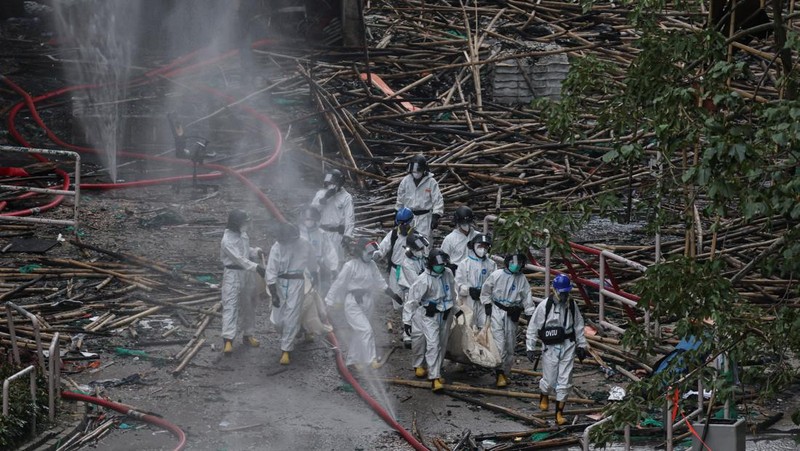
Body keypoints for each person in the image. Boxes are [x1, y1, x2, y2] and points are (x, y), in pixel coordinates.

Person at [526, 274, 588, 425]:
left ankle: (559, 413)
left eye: (567, 292)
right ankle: (544, 394)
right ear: (554, 290)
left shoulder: (572, 306)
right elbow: (533, 327)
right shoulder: (544, 306)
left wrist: (582, 345)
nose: (564, 295)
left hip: (568, 345)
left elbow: (579, 326)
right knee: (550, 378)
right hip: (550, 347)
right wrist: (530, 347)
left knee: (565, 380)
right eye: (562, 292)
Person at [325, 238, 396, 369]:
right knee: (366, 330)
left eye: (371, 253)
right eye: (368, 253)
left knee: (359, 331)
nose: (370, 255)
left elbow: (380, 281)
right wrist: (329, 301)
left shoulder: (372, 265)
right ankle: (371, 360)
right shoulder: (350, 266)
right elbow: (338, 284)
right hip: (353, 302)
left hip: (368, 300)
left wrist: (393, 295)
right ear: (360, 252)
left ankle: (353, 360)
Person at [266, 222, 318, 365]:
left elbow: (312, 262)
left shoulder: (305, 244)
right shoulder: (277, 246)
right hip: (279, 283)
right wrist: (273, 292)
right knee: (277, 320)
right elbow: (271, 270)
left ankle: (286, 350)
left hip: (297, 282)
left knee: (291, 316)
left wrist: (315, 274)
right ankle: (296, 329)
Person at [480, 252, 535, 388]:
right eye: (513, 262)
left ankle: (505, 373)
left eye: (519, 263)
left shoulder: (522, 279)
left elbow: (527, 297)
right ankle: (499, 372)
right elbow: (486, 290)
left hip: (512, 313)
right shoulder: (497, 275)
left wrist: (529, 314)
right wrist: (487, 304)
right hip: (497, 311)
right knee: (499, 343)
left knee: (510, 344)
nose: (516, 265)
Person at [407, 249, 456, 392]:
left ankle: (436, 370)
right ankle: (434, 378)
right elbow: (412, 300)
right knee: (432, 344)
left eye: (443, 264)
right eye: (438, 264)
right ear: (430, 264)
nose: (441, 267)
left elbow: (452, 293)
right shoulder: (423, 279)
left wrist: (455, 309)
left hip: (445, 314)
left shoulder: (448, 273)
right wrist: (407, 321)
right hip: (429, 315)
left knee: (442, 343)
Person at [219, 209, 265, 355]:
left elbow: (244, 252)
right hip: (233, 274)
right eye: (243, 222)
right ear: (235, 223)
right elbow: (238, 258)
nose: (246, 224)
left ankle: (248, 335)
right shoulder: (226, 241)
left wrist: (255, 252)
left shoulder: (242, 234)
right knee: (231, 305)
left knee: (250, 305)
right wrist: (256, 267)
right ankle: (228, 340)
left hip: (246, 274)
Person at [311, 168, 355, 266]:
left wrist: (347, 235)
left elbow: (350, 218)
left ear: (339, 183)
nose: (331, 186)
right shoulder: (321, 194)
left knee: (337, 263)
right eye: (329, 183)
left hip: (337, 235)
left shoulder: (346, 197)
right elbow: (312, 211)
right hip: (322, 232)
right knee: (320, 262)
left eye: (333, 183)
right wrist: (325, 198)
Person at [395, 155, 443, 242]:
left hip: (424, 217)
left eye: (418, 171)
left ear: (424, 170)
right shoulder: (406, 181)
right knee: (404, 240)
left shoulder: (431, 182)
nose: (416, 173)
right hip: (407, 216)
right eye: (414, 171)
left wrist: (436, 216)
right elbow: (400, 199)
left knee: (423, 241)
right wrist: (397, 213)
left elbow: (438, 200)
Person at [374, 207, 416, 309]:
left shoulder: (416, 237)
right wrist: (378, 254)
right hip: (395, 270)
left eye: (405, 224)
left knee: (411, 295)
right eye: (400, 224)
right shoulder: (393, 235)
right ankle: (399, 314)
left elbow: (424, 255)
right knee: (396, 296)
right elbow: (383, 247)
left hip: (410, 271)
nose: (403, 227)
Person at [455, 233, 496, 329]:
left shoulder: (491, 264)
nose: (483, 249)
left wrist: (486, 293)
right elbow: (458, 284)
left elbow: (495, 284)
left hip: (484, 301)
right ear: (473, 246)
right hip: (469, 300)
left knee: (485, 327)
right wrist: (469, 290)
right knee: (468, 327)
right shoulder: (465, 263)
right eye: (480, 246)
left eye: (485, 246)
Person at [398, 232, 430, 349]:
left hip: (421, 288)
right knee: (409, 310)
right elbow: (415, 281)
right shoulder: (407, 263)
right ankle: (407, 335)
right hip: (410, 289)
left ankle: (419, 333)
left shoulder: (421, 258)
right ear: (411, 249)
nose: (421, 251)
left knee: (420, 313)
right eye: (419, 249)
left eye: (422, 248)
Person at [299, 206, 338, 296]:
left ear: (315, 219)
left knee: (319, 288)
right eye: (307, 219)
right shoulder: (298, 233)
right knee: (304, 289)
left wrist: (333, 267)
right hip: (302, 265)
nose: (309, 221)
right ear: (303, 220)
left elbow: (330, 250)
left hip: (318, 265)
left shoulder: (321, 233)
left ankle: (319, 306)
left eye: (311, 219)